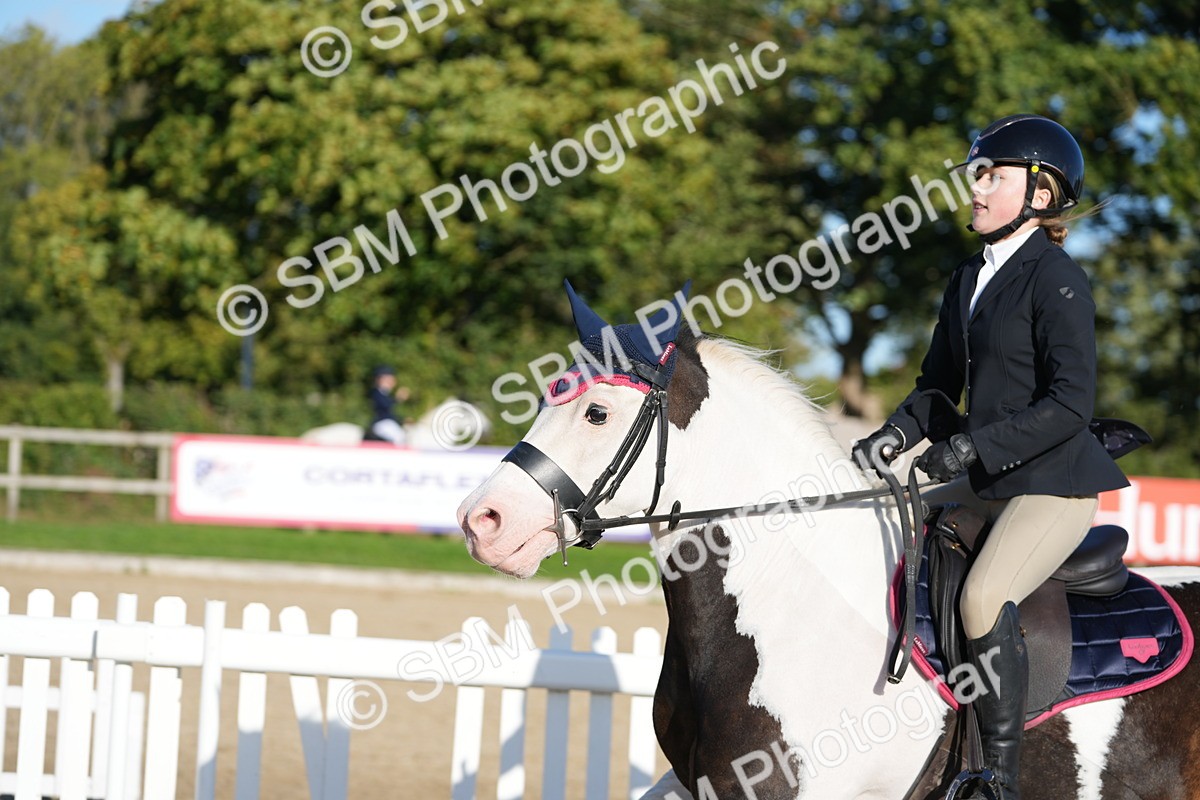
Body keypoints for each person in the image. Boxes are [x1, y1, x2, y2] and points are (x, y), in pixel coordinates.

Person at [851, 114, 1129, 800]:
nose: (975, 188)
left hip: (1053, 481)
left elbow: (1070, 405)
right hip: (988, 476)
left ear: (1038, 193)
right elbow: (938, 385)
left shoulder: (1058, 281)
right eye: (977, 173)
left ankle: (998, 777)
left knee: (981, 597)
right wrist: (895, 434)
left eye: (991, 175)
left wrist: (973, 444)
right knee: (872, 539)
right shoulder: (968, 275)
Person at [364, 365, 410, 445]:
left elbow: (390, 413)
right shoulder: (377, 393)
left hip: (388, 422)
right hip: (381, 423)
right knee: (399, 437)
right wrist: (397, 399)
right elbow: (385, 406)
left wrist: (402, 420)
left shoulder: (386, 394)